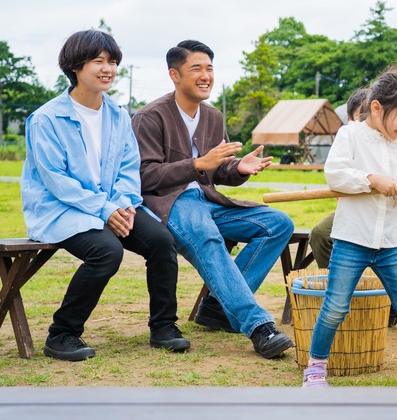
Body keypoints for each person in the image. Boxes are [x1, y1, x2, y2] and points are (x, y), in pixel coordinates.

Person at [21, 30, 189, 361]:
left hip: (112, 204)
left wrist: (123, 206)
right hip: (60, 209)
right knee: (106, 251)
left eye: (112, 62)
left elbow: (129, 167)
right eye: (98, 61)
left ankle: (164, 327)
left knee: (160, 240)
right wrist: (104, 210)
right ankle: (62, 334)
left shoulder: (117, 114)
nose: (107, 68)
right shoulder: (46, 119)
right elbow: (56, 180)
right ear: (74, 67)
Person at [131, 40, 294, 359]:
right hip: (170, 205)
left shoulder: (213, 116)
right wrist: (196, 164)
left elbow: (217, 172)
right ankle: (258, 326)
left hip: (208, 201)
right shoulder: (150, 116)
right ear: (174, 75)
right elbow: (145, 177)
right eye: (196, 69)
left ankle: (220, 307)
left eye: (209, 68)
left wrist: (239, 168)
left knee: (277, 224)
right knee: (206, 236)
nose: (205, 75)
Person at [302, 67, 397, 388]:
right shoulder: (350, 135)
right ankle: (315, 368)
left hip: (391, 240)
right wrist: (372, 180)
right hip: (353, 238)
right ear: (377, 107)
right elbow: (336, 174)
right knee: (336, 306)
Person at [308, 87, 369, 269]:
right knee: (320, 233)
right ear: (350, 120)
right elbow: (336, 175)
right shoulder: (346, 138)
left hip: (385, 211)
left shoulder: (389, 139)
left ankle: (374, 289)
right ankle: (333, 279)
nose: (367, 121)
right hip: (350, 209)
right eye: (362, 115)